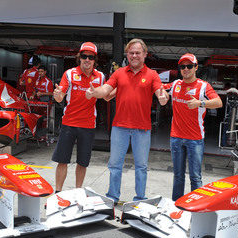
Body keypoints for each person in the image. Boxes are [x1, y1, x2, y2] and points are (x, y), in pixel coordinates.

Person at [86, 38, 168, 204]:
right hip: (120, 127)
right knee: (115, 165)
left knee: (141, 167)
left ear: (145, 54)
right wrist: (95, 92)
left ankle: (139, 199)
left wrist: (163, 97)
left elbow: (162, 96)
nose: (134, 55)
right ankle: (112, 197)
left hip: (142, 129)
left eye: (138, 52)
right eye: (131, 53)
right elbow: (106, 90)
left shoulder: (152, 75)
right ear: (127, 55)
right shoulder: (119, 73)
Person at [166, 53, 222, 201]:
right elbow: (158, 87)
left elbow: (218, 102)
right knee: (178, 176)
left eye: (189, 66)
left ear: (196, 67)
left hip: (195, 139)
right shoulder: (175, 84)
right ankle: (176, 206)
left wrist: (200, 103)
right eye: (182, 66)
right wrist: (160, 94)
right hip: (176, 137)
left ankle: (195, 207)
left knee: (195, 177)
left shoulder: (203, 86)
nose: (186, 69)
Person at [52, 42, 105, 192]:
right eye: (84, 56)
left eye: (91, 57)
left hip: (88, 125)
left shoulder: (100, 77)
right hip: (69, 123)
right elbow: (60, 96)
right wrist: (57, 95)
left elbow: (106, 96)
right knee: (62, 161)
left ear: (95, 59)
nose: (87, 60)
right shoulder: (69, 73)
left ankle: (77, 192)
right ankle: (58, 192)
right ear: (79, 57)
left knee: (83, 162)